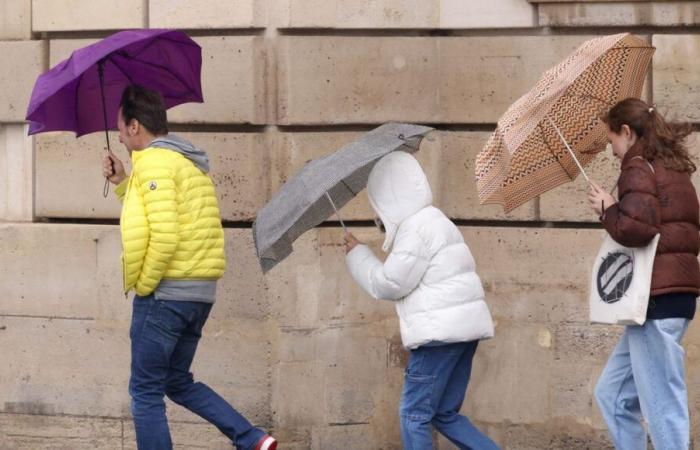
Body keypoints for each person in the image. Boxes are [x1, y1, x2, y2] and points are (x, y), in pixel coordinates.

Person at [103, 85, 277, 450]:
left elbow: (164, 237)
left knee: (145, 391)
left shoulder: (153, 162)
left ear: (135, 126)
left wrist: (146, 284)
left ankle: (251, 437)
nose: (118, 137)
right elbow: (159, 216)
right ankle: (253, 438)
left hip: (166, 294)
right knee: (177, 381)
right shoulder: (185, 162)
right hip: (198, 295)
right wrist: (123, 182)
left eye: (120, 128)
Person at [343, 151, 498, 450]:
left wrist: (357, 255)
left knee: (413, 415)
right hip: (463, 332)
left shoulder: (415, 229)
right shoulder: (434, 220)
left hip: (437, 337)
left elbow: (390, 283)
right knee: (444, 413)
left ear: (389, 197)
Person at [589, 98, 700, 449]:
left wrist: (609, 209)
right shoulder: (669, 165)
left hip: (656, 300)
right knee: (613, 394)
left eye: (612, 142)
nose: (612, 152)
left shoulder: (637, 165)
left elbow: (638, 228)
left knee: (662, 406)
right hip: (672, 297)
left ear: (626, 131)